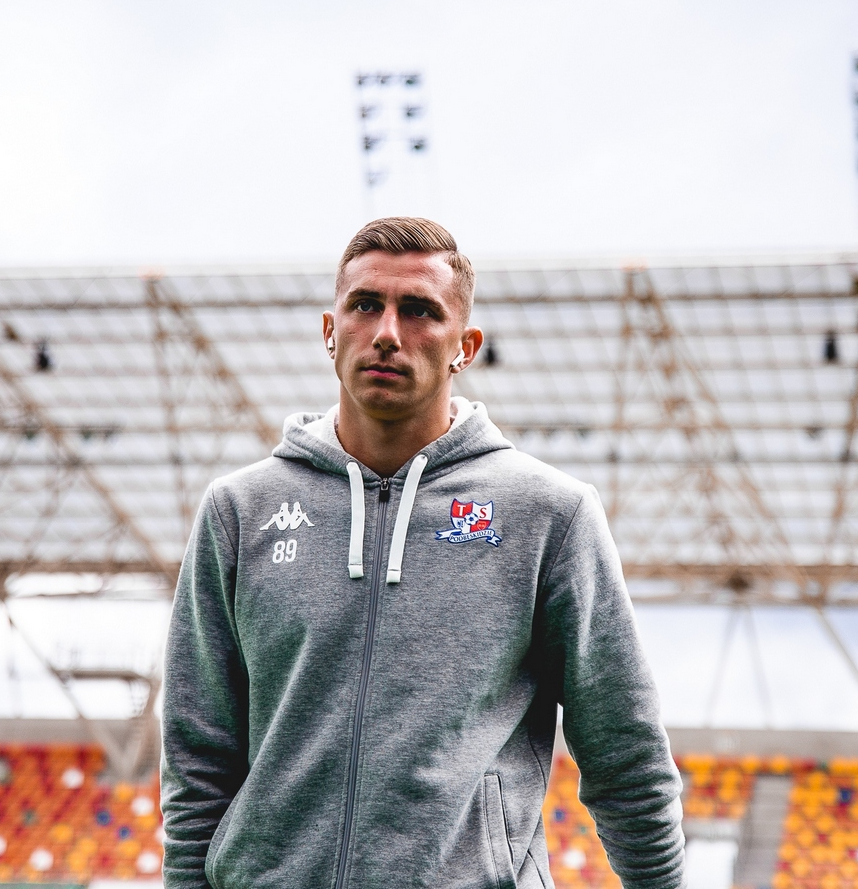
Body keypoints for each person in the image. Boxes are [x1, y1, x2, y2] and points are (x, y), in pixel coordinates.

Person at [161, 217, 684, 888]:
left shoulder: (549, 515)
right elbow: (197, 754)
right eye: (365, 305)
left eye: (419, 311)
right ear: (330, 331)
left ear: (465, 346)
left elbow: (624, 752)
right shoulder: (240, 511)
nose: (387, 332)